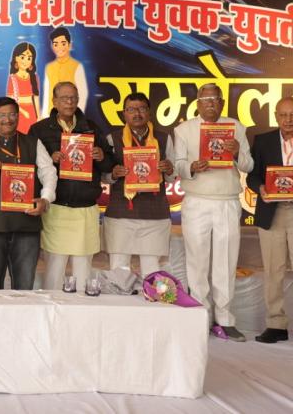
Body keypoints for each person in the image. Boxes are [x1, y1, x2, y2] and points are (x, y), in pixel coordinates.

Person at [173, 83, 253, 341]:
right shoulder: (184, 129)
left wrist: (237, 152)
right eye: (205, 99)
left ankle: (225, 319)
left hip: (227, 201)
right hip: (196, 201)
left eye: (215, 99)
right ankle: (200, 316)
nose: (210, 103)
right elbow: (177, 164)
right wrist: (191, 167)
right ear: (197, 103)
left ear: (222, 102)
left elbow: (248, 165)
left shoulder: (236, 127)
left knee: (226, 262)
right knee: (196, 262)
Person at [0, 97, 57, 289]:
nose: (7, 119)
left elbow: (49, 172)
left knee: (24, 286)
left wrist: (46, 199)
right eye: (2, 115)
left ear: (18, 116)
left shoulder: (33, 143)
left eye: (12, 114)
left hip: (26, 224)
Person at [29, 82, 114, 289]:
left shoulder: (91, 128)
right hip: (56, 208)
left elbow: (110, 166)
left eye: (73, 98)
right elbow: (28, 166)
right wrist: (49, 158)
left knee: (83, 269)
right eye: (64, 98)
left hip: (85, 208)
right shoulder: (39, 130)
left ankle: (82, 306)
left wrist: (102, 156)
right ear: (54, 101)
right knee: (54, 269)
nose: (69, 102)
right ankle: (51, 307)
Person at [102, 93, 175, 276]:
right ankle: (120, 296)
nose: (137, 114)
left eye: (142, 109)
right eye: (131, 109)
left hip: (154, 213)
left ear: (149, 112)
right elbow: (103, 176)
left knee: (152, 270)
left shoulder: (163, 138)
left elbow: (172, 176)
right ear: (124, 114)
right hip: (121, 213)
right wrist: (114, 174)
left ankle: (149, 295)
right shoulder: (112, 139)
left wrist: (168, 169)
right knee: (119, 270)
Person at [247, 96, 293, 343]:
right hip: (271, 212)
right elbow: (252, 176)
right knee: (273, 271)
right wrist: (261, 188)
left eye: (292, 115)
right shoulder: (263, 140)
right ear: (276, 116)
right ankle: (276, 324)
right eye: (283, 115)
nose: (288, 120)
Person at [40, 27, 88, 118]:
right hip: (52, 115)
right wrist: (45, 116)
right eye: (56, 44)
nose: (59, 47)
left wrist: (77, 116)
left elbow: (83, 93)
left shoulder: (77, 66)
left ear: (70, 45)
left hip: (70, 116)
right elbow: (47, 94)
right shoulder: (49, 67)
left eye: (63, 43)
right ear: (52, 46)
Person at [6, 42, 40, 134]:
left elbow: (36, 98)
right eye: (22, 57)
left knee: (31, 136)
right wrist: (23, 112)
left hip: (31, 112)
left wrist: (38, 116)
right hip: (18, 112)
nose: (26, 61)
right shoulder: (12, 78)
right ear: (16, 58)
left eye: (29, 58)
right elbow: (10, 101)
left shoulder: (34, 77)